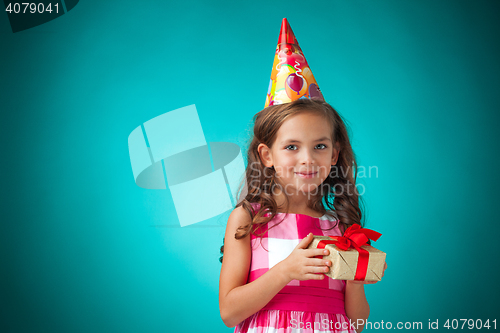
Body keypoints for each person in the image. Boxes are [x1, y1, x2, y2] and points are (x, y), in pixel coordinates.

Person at [218, 98, 387, 333]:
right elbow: (229, 313)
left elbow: (357, 325)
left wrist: (355, 281)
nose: (308, 159)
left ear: (334, 155)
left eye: (319, 146)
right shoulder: (249, 219)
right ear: (267, 155)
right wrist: (286, 271)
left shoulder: (341, 229)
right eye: (291, 147)